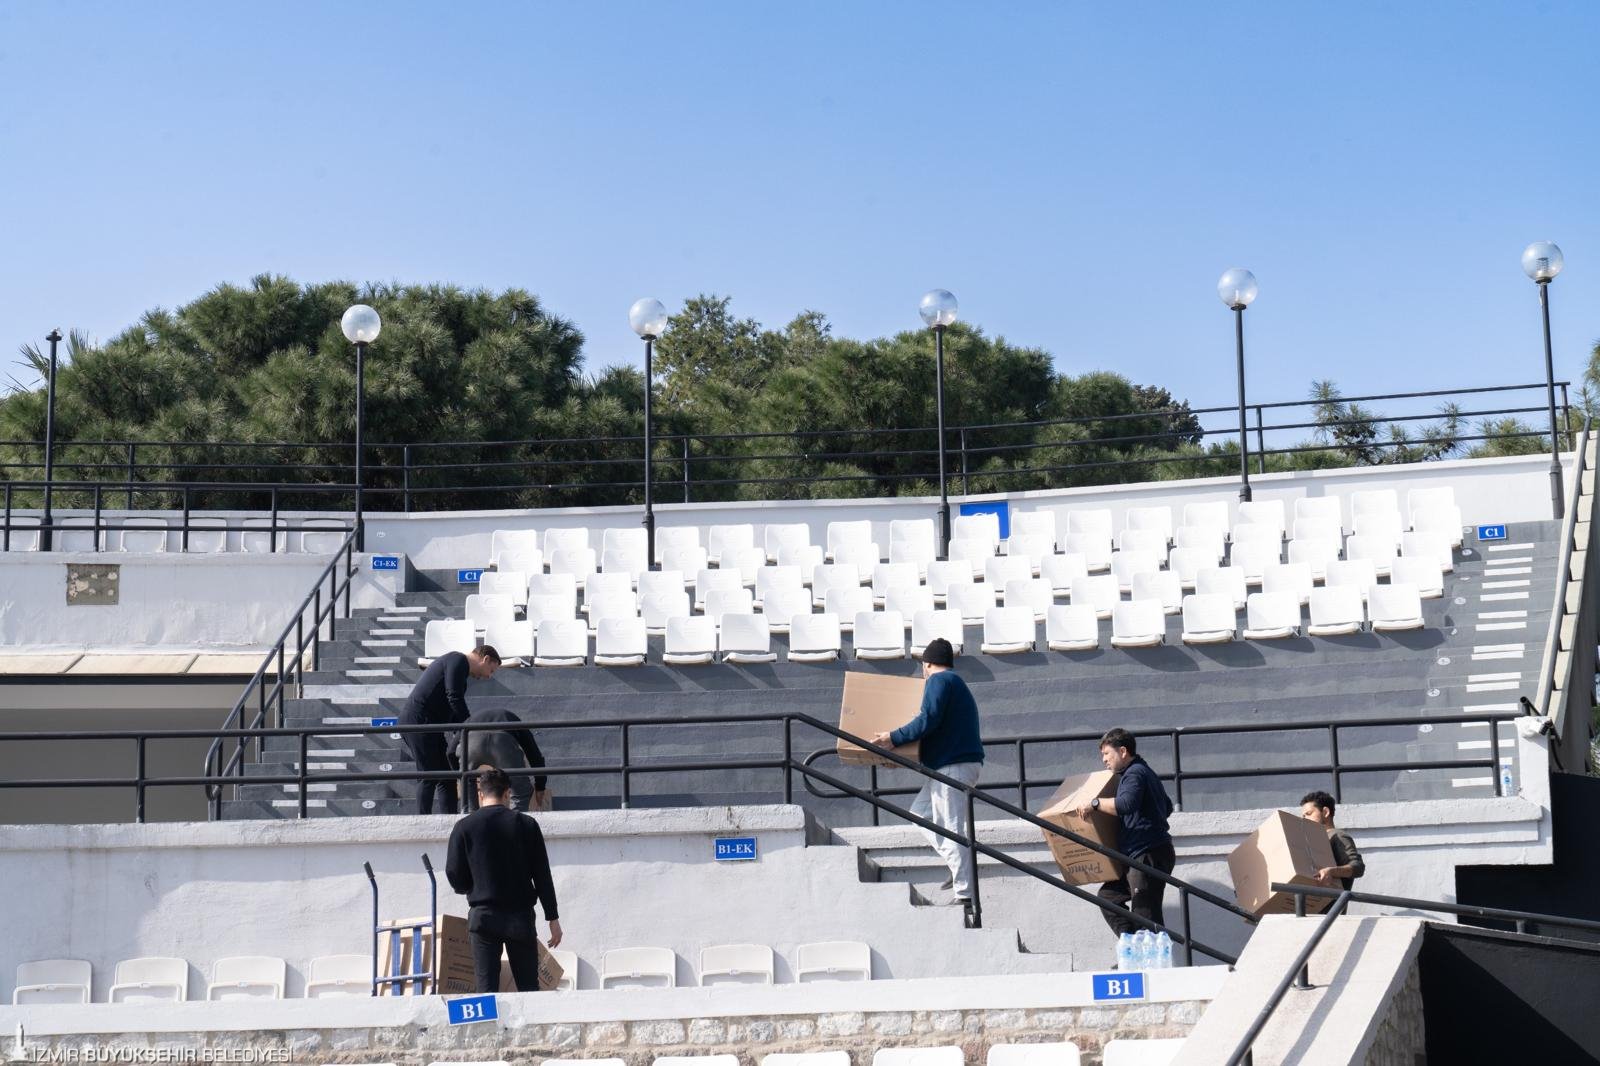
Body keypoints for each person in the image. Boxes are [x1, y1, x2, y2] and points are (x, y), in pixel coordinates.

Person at [869, 637, 985, 906]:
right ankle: (960, 866)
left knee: (950, 826)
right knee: (920, 813)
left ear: (927, 664)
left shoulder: (939, 681)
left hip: (954, 766)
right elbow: (935, 728)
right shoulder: (955, 683)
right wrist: (901, 754)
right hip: (952, 764)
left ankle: (965, 894)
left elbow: (927, 719)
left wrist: (893, 738)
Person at [445, 766, 562, 993]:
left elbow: (455, 876)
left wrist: (473, 886)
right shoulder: (527, 825)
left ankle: (488, 1029)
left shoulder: (464, 827)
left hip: (483, 916)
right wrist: (553, 918)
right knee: (529, 990)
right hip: (520, 917)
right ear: (507, 793)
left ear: (480, 794)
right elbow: (542, 875)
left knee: (486, 989)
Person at [1080, 728, 1176, 938]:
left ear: (1122, 751)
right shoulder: (1144, 771)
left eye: (1107, 754)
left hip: (1147, 854)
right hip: (1141, 855)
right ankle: (1131, 947)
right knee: (1108, 897)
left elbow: (1125, 804)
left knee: (1145, 913)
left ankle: (1147, 962)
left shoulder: (1134, 773)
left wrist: (1094, 803)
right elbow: (1166, 807)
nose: (1104, 760)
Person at [400, 645, 501, 815]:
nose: (487, 676)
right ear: (486, 659)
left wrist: (462, 730)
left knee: (446, 777)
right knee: (427, 775)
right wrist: (470, 726)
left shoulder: (460, 669)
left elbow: (451, 708)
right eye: (490, 670)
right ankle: (421, 822)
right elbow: (454, 697)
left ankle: (450, 821)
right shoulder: (458, 660)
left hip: (431, 725)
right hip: (418, 722)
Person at [454, 707, 549, 813]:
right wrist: (540, 786)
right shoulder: (512, 718)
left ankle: (471, 818)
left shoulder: (469, 720)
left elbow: (450, 751)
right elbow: (533, 753)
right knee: (521, 792)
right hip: (502, 742)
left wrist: (459, 777)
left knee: (467, 783)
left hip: (472, 741)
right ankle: (514, 823)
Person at [1300, 790, 1365, 890]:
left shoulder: (1337, 835)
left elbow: (1358, 867)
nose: (1304, 819)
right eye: (1303, 816)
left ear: (1325, 812)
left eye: (1309, 814)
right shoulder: (1308, 840)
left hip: (1332, 903)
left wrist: (1331, 872)